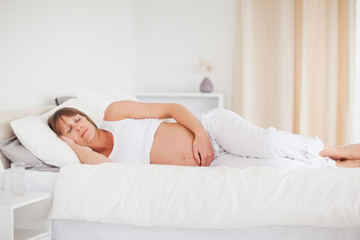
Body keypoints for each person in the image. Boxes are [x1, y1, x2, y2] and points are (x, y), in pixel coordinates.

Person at [48, 101, 360, 168]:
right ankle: (336, 166)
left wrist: (199, 134)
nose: (78, 128)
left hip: (210, 131)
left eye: (77, 120)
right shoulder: (93, 161)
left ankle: (335, 149)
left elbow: (173, 108)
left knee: (268, 143)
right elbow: (102, 170)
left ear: (85, 115)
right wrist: (67, 146)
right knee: (274, 168)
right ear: (68, 140)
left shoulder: (115, 114)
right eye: (69, 131)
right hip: (207, 166)